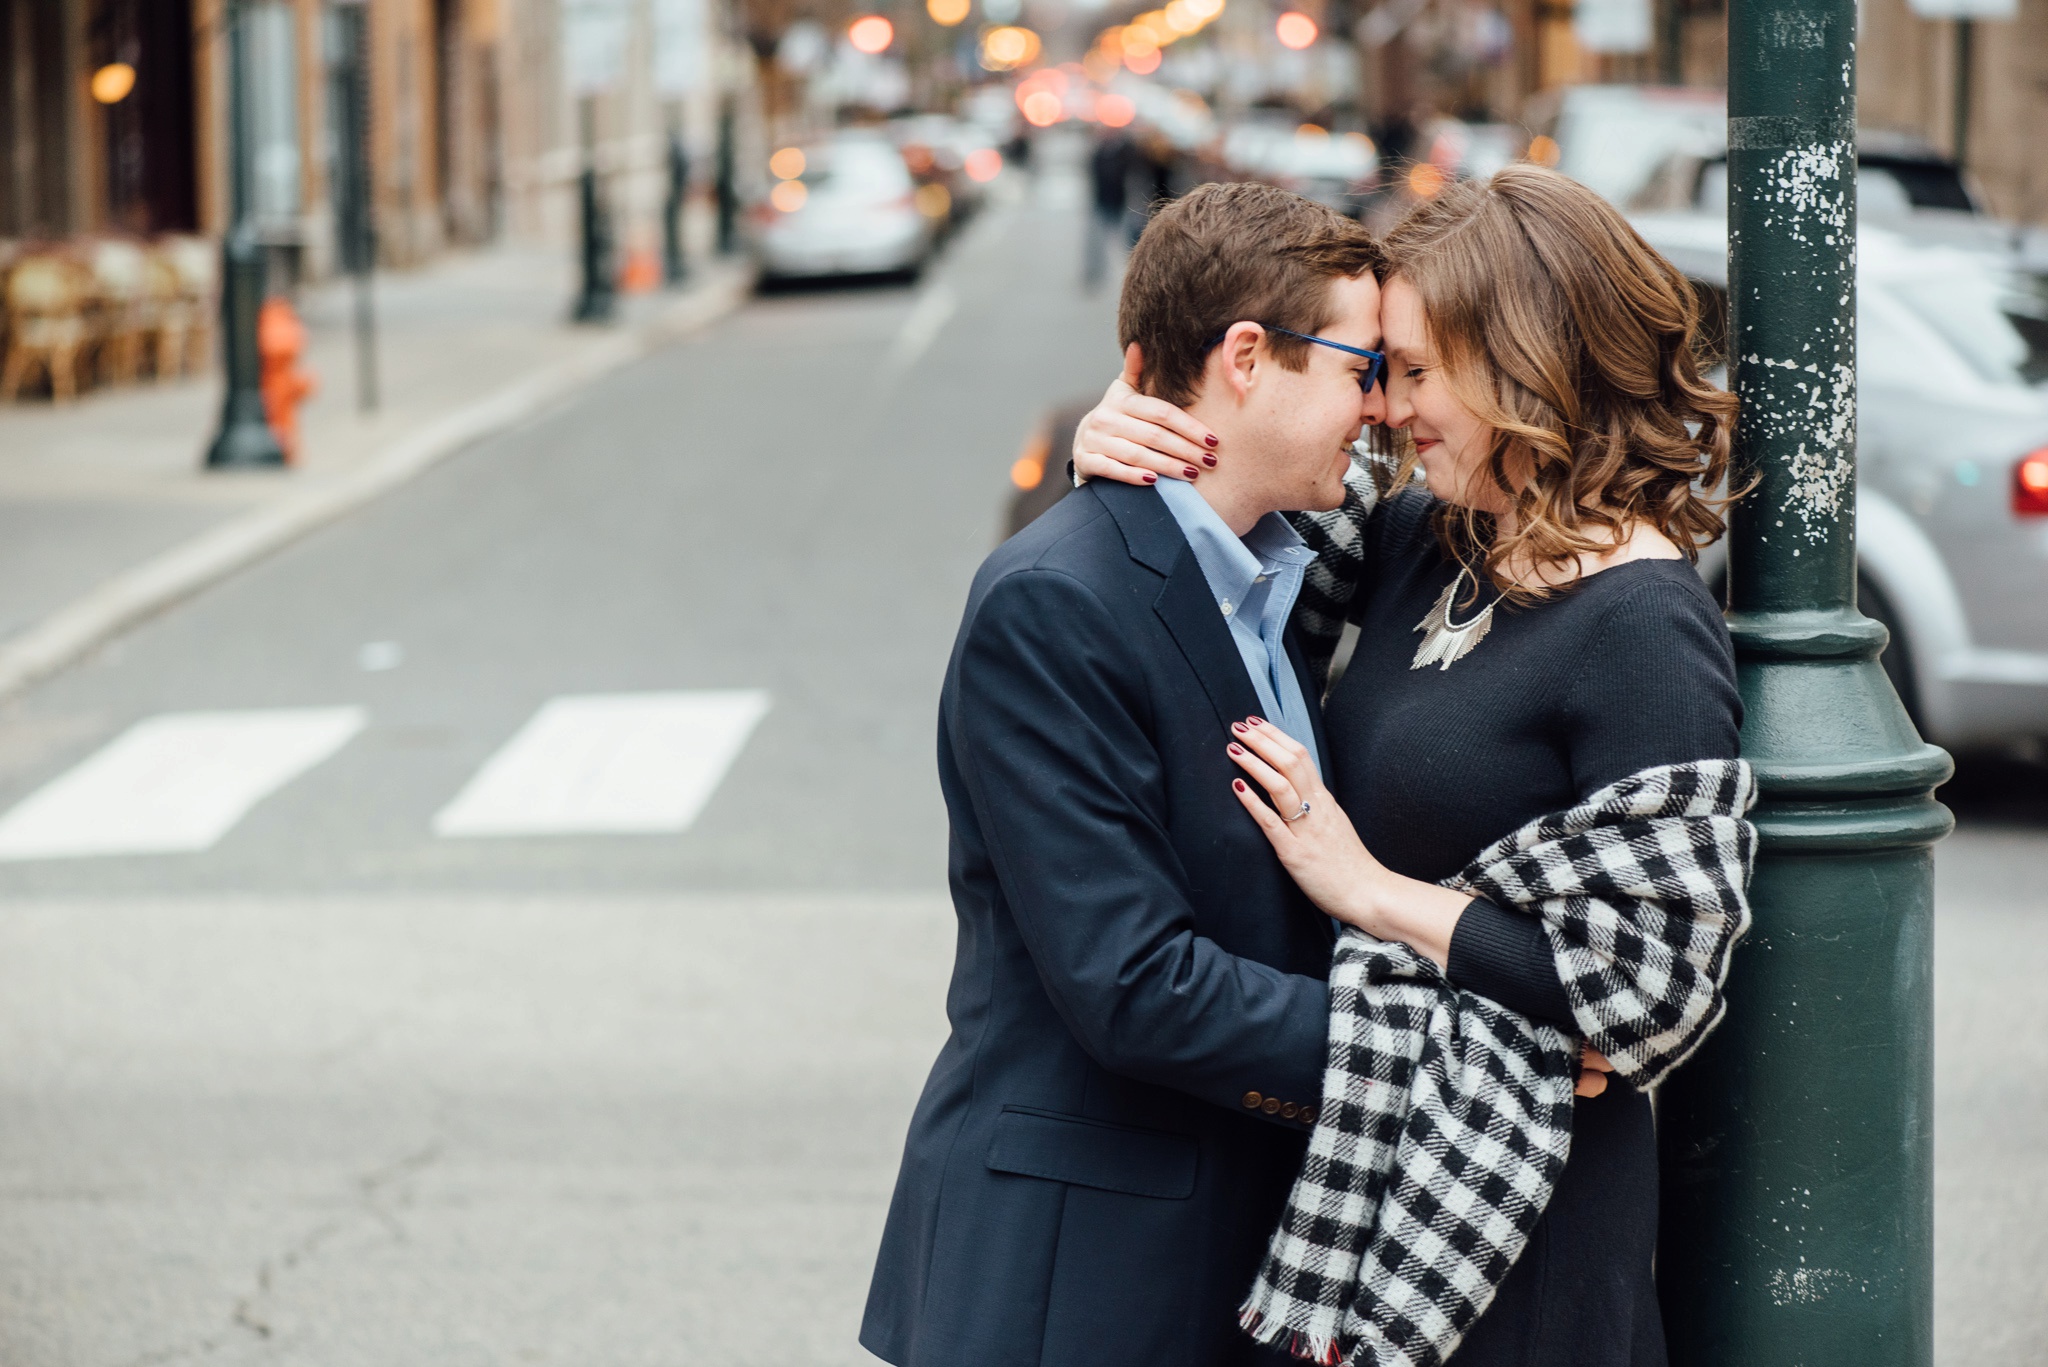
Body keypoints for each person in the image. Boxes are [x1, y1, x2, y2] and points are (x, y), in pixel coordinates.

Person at [1071, 164, 1747, 1366]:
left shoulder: (1642, 624)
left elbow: (1650, 989)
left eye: (1418, 373)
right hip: (1367, 1181)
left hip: (1519, 1229)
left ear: (1524, 367)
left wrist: (1368, 889)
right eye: (1379, 370)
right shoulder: (1422, 537)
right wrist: (1124, 433)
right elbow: (1214, 561)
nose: (1386, 408)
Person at [861, 182, 1390, 1367]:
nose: (1380, 408)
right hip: (1076, 1274)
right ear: (1246, 356)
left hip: (1222, 1250)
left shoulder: (1278, 569)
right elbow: (1134, 981)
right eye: (1361, 368)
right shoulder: (1054, 602)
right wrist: (1421, 1049)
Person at [1083, 128, 1132, 291]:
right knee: (1096, 240)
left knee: (1124, 240)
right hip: (1102, 201)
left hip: (1119, 201)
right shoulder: (1099, 153)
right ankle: (1094, 272)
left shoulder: (1123, 152)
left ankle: (1131, 271)